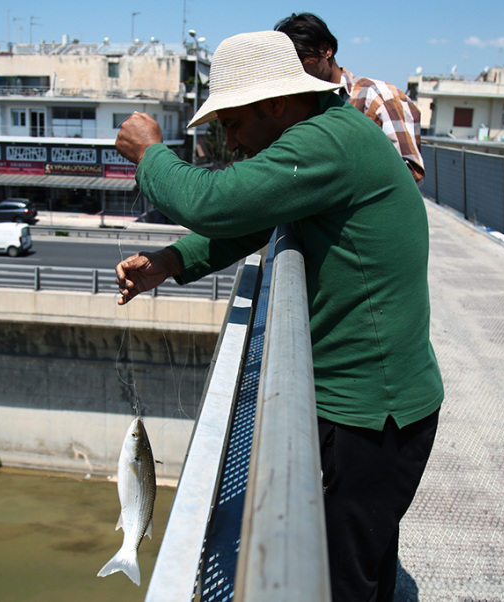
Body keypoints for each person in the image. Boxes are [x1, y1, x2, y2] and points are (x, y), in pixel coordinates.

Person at [114, 30, 443, 601]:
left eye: (234, 124)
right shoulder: (328, 134)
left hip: (375, 416)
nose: (233, 142)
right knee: (360, 570)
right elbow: (252, 219)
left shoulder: (328, 141)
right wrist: (170, 261)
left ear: (274, 104)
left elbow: (213, 201)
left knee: (347, 585)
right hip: (363, 405)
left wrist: (150, 154)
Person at [275, 12, 425, 184]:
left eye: (299, 59)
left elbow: (411, 173)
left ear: (326, 50)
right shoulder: (301, 105)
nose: (295, 70)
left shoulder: (378, 97)